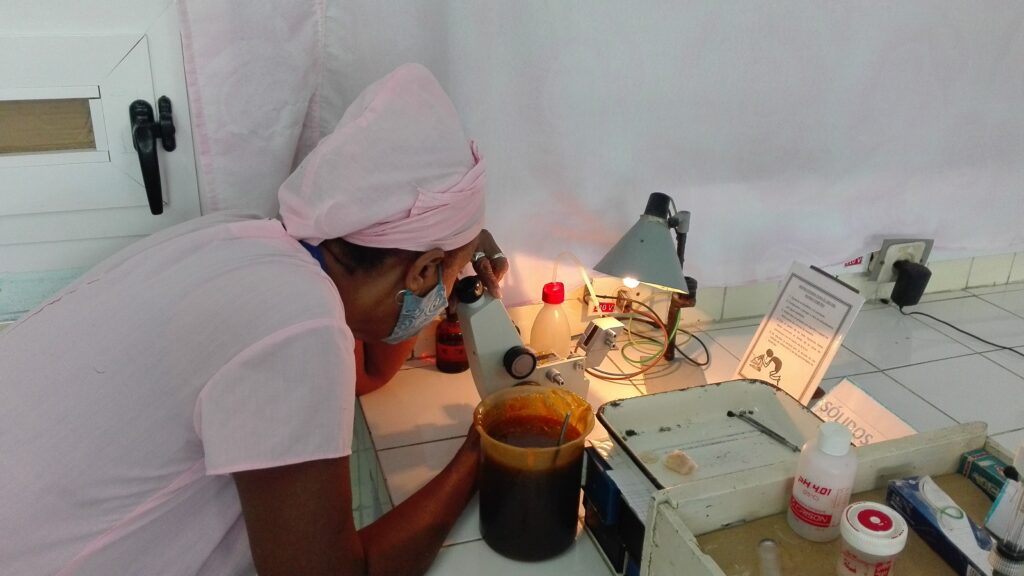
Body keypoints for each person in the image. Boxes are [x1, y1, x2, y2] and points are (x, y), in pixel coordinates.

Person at [0, 64, 499, 576]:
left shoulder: (245, 241)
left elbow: (362, 375)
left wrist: (446, 263)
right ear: (422, 271)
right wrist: (480, 457)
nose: (445, 297)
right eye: (448, 279)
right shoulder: (300, 322)